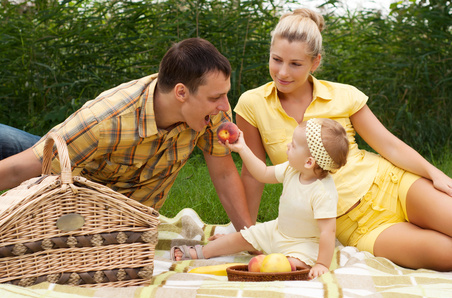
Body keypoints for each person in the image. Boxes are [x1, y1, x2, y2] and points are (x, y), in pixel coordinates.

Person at [234, 8, 452, 271]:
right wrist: (246, 233)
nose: (282, 72)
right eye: (276, 59)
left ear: (315, 62)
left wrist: (434, 173)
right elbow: (252, 173)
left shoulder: (344, 95)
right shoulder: (251, 104)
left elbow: (389, 144)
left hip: (390, 184)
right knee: (447, 256)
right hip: (356, 226)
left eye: (295, 64)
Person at [0, 37, 253, 231]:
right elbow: (17, 172)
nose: (224, 105)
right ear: (181, 93)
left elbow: (223, 172)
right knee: (27, 157)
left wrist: (250, 237)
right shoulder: (103, 121)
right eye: (216, 97)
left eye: (225, 94)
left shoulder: (211, 113)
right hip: (71, 184)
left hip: (121, 218)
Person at [172, 118, 349, 279]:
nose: (288, 146)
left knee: (296, 265)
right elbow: (262, 173)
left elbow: (328, 232)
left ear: (309, 162)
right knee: (241, 236)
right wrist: (242, 148)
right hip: (276, 231)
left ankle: (278, 263)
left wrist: (322, 264)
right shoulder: (292, 169)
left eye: (293, 145)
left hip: (303, 244)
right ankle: (203, 252)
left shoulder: (322, 192)